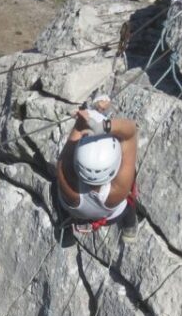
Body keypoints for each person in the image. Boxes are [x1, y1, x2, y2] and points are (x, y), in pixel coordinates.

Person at [56, 97, 138, 243]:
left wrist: (89, 115)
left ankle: (65, 225)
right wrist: (104, 126)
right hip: (110, 217)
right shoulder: (118, 190)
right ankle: (130, 226)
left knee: (55, 188)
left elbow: (78, 128)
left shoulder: (66, 179)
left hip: (77, 211)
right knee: (129, 194)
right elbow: (131, 131)